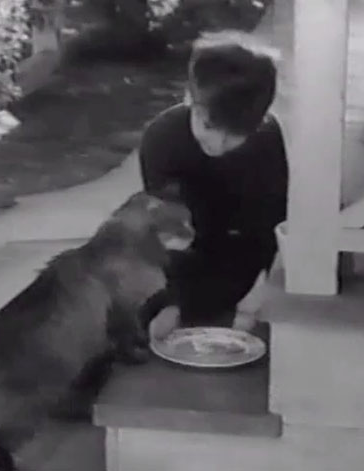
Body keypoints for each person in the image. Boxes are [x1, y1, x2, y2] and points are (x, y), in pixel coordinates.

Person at [138, 30, 288, 337]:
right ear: (188, 99)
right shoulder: (162, 138)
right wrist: (173, 301)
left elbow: (269, 228)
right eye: (208, 125)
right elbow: (164, 228)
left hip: (239, 251)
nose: (218, 144)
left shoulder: (266, 141)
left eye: (235, 134)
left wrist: (260, 290)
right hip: (181, 247)